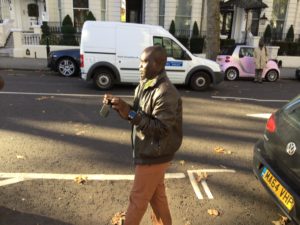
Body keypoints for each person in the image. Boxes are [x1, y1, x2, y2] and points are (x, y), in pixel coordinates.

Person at [103, 45, 182, 225]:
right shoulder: (144, 85)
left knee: (137, 200)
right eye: (140, 62)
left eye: (144, 62)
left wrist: (130, 113)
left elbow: (161, 129)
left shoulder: (166, 92)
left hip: (155, 153)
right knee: (157, 196)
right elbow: (138, 115)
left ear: (159, 64)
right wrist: (121, 107)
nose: (140, 66)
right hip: (148, 148)